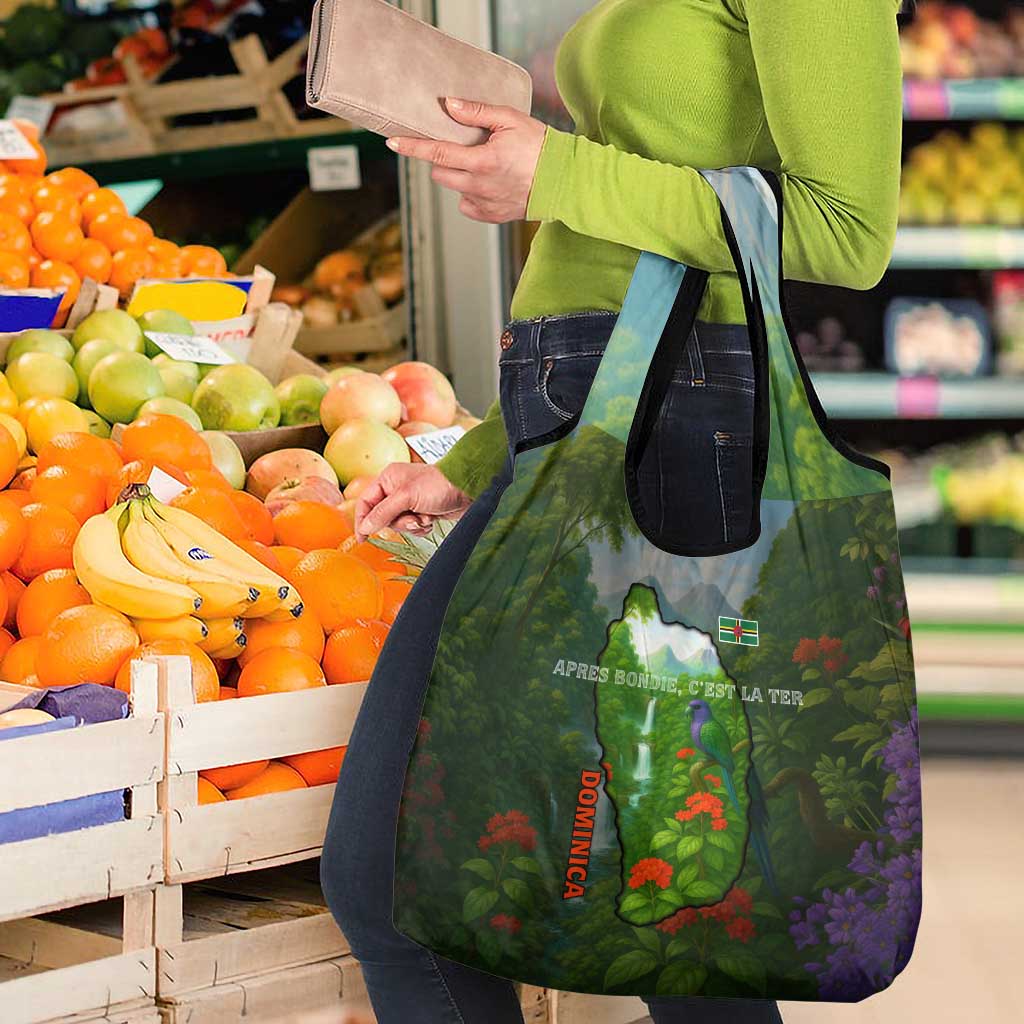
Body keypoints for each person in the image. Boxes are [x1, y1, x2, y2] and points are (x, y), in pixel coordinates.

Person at [321, 2, 906, 1021]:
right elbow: (626, 244)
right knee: (669, 924)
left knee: (423, 880)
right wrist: (482, 456)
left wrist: (555, 172)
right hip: (590, 430)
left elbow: (847, 230)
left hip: (674, 440)